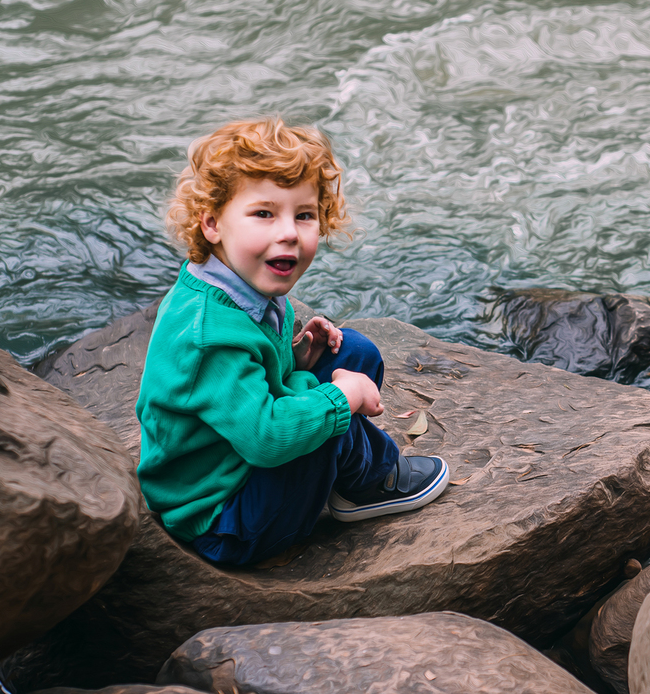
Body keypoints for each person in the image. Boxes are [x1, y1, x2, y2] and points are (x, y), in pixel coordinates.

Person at [135, 117, 449, 565]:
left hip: (240, 459)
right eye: (264, 213)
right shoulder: (210, 335)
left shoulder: (241, 287)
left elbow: (257, 375)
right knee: (326, 409)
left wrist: (302, 354)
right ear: (212, 224)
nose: (288, 232)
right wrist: (337, 396)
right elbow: (267, 436)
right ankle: (371, 479)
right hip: (225, 519)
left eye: (304, 215)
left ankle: (343, 477)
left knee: (353, 351)